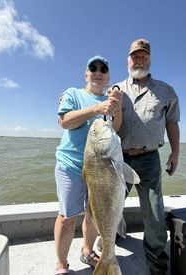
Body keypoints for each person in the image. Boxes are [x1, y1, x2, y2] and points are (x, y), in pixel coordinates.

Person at [54, 55, 122, 274]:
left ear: (108, 77)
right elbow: (65, 121)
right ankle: (62, 263)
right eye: (93, 68)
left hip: (101, 167)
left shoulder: (110, 100)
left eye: (103, 69)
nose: (98, 71)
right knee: (67, 218)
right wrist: (96, 110)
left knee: (93, 216)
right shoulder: (73, 93)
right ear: (86, 74)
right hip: (71, 166)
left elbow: (116, 129)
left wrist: (116, 108)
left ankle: (87, 250)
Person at [117, 38, 180, 275]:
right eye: (135, 56)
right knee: (109, 204)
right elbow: (101, 114)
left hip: (150, 159)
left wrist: (175, 152)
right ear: (128, 60)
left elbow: (172, 123)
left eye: (143, 56)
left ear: (150, 59)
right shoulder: (117, 89)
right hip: (118, 158)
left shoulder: (166, 91)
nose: (139, 59)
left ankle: (156, 265)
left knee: (154, 214)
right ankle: (109, 237)